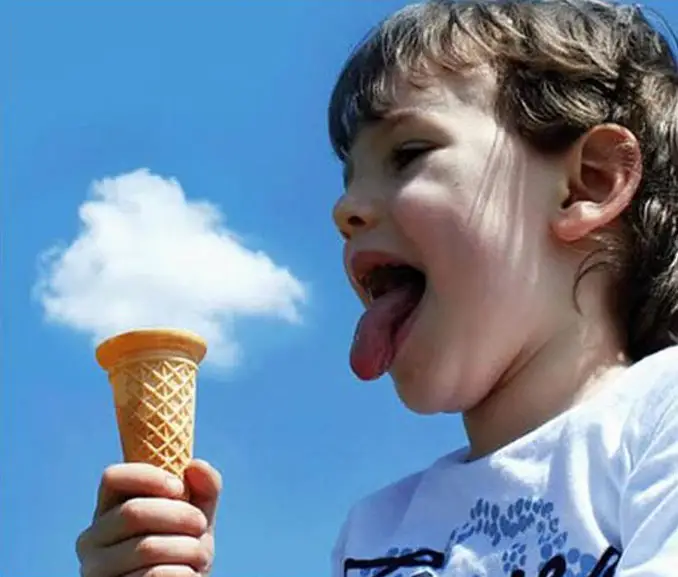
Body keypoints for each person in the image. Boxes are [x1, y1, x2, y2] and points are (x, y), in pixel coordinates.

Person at [75, 1, 678, 575]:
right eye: (349, 178)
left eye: (408, 154)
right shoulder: (376, 532)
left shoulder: (659, 416)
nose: (344, 209)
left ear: (589, 184)